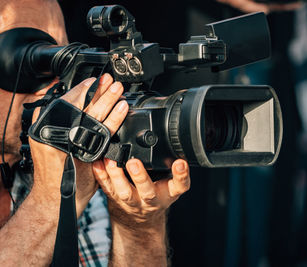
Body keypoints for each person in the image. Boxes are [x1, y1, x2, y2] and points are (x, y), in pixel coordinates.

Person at [0, 0, 190, 266]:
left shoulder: (67, 169)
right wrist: (51, 203)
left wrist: (137, 226)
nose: (55, 84)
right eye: (27, 59)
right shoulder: (57, 182)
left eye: (60, 58)